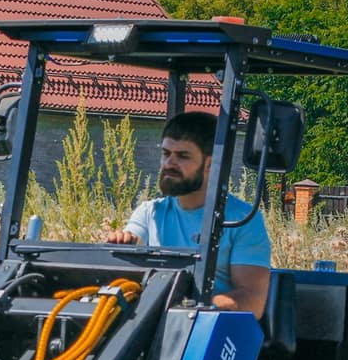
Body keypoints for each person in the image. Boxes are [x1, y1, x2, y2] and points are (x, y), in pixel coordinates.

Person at [106, 112, 271, 318]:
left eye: (183, 156)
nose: (169, 164)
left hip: (207, 333)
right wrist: (122, 243)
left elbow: (252, 300)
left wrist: (189, 308)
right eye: (166, 154)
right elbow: (134, 241)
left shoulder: (241, 220)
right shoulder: (151, 214)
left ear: (210, 164)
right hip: (152, 325)